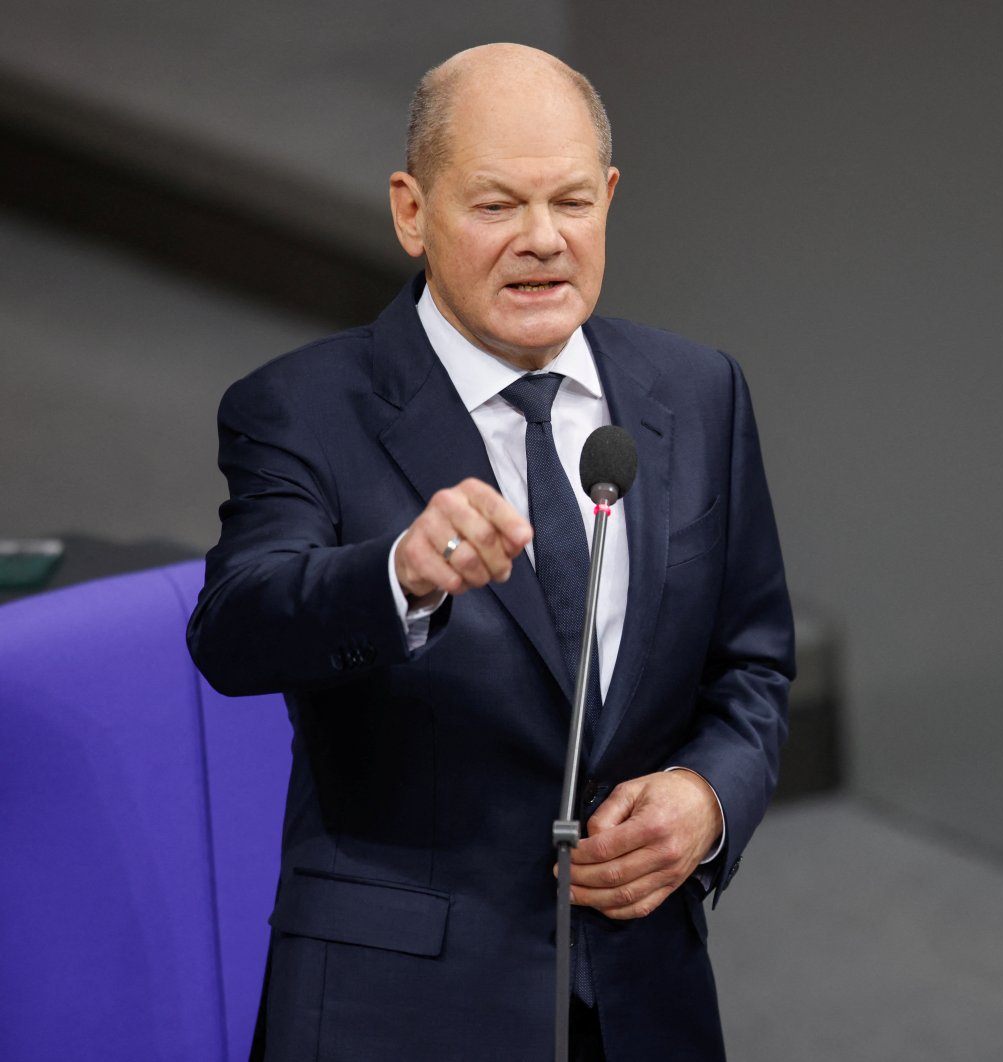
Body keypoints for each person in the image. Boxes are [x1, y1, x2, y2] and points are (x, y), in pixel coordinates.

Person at [187, 43, 793, 1062]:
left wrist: (708, 798)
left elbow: (752, 665)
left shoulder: (695, 392)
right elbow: (236, 630)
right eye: (498, 206)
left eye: (569, 203)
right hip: (400, 1006)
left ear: (608, 198)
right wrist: (397, 573)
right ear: (411, 212)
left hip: (643, 994)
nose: (544, 242)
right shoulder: (301, 407)